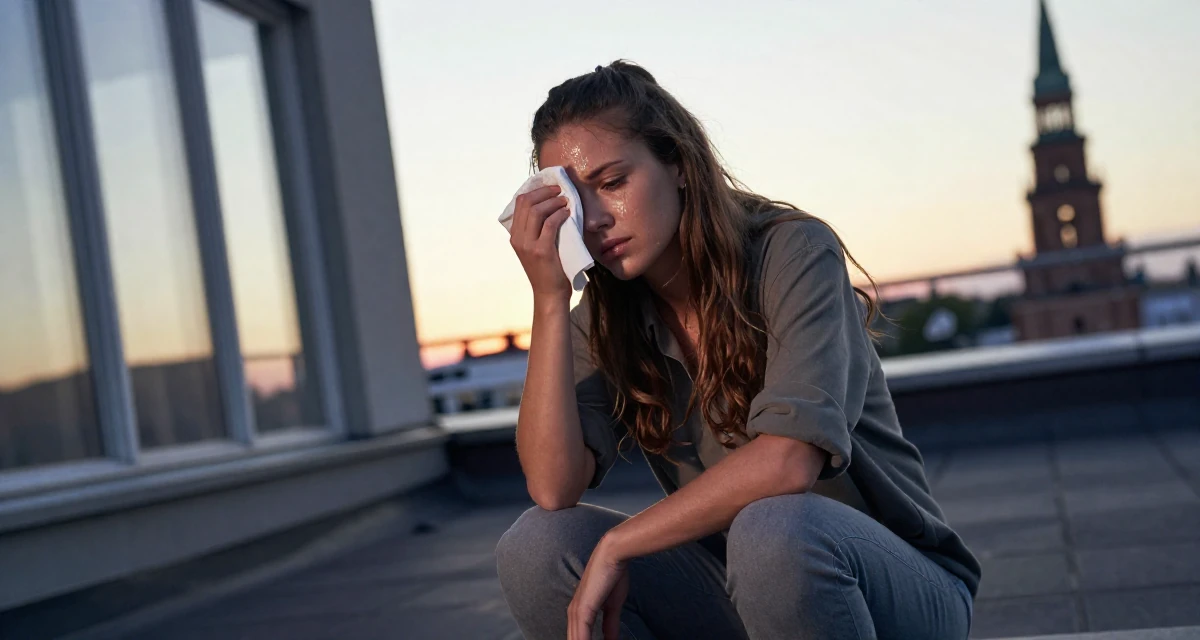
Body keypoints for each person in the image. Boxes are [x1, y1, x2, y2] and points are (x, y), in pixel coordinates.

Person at [495, 59, 980, 640]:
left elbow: (789, 460)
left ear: (676, 162)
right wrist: (549, 299)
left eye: (613, 182)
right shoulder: (604, 314)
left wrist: (622, 542)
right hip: (737, 588)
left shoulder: (792, 252)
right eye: (576, 200)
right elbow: (553, 486)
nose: (596, 219)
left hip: (892, 588)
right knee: (537, 547)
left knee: (773, 531)